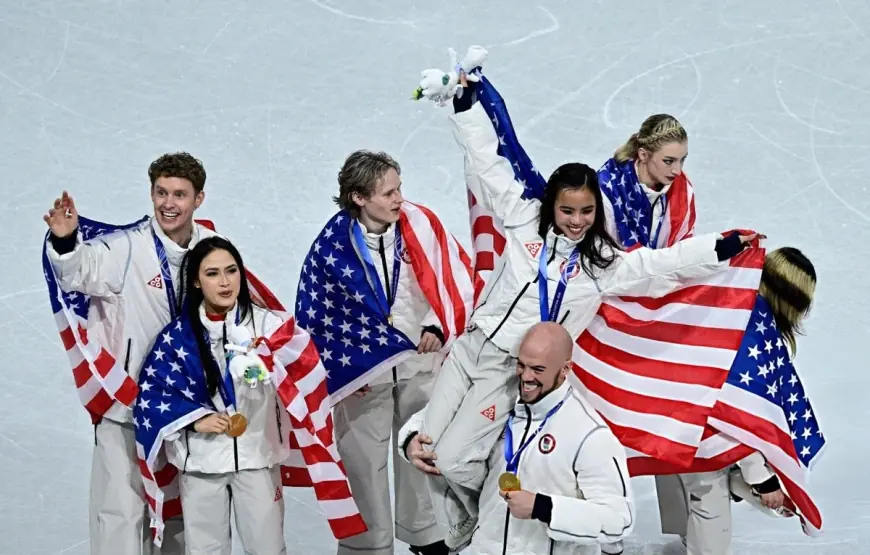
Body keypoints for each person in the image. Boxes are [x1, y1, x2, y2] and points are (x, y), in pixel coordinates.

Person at [413, 56, 761, 550]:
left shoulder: (602, 266)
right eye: (568, 210)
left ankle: (469, 517)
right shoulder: (521, 219)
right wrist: (464, 106)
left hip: (506, 368)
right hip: (469, 349)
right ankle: (465, 512)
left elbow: (660, 262)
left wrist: (721, 246)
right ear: (552, 204)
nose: (576, 220)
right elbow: (488, 165)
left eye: (586, 212)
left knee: (450, 459)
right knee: (422, 450)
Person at [43, 152, 214, 555]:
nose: (168, 203)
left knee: (182, 513)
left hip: (185, 408)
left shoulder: (209, 248)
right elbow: (77, 270)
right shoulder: (125, 248)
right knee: (119, 510)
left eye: (179, 194)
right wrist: (66, 240)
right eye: (160, 192)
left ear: (199, 199)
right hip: (128, 407)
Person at [299, 150, 452, 555]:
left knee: (423, 451)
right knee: (364, 467)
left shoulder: (421, 227)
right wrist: (344, 371)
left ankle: (426, 534)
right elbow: (318, 318)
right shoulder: (331, 250)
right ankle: (367, 548)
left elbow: (451, 280)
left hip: (419, 364)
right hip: (363, 378)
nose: (400, 199)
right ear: (359, 198)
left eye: (400, 187)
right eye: (389, 192)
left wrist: (439, 323)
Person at [399, 322, 635, 555]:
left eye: (538, 369)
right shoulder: (503, 400)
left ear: (565, 369)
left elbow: (619, 520)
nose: (526, 377)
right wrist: (410, 438)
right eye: (521, 365)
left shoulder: (588, 434)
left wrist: (543, 508)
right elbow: (440, 413)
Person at [657, 247, 818, 555]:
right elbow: (739, 410)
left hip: (671, 416)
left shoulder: (727, 303)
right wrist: (762, 478)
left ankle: (689, 531)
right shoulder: (753, 330)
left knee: (693, 485)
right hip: (699, 436)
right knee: (708, 500)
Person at [134, 237, 290, 554]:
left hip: (257, 458)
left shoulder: (271, 327)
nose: (224, 282)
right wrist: (195, 421)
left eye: (231, 271)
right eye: (212, 273)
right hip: (201, 465)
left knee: (268, 549)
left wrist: (270, 365)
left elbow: (303, 373)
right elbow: (154, 394)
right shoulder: (178, 337)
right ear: (195, 280)